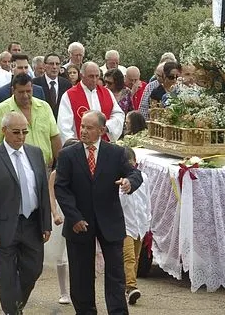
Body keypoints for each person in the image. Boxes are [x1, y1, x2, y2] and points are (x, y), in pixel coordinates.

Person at [54, 110, 143, 315]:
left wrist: (129, 182)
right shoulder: (68, 155)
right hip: (79, 222)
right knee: (81, 274)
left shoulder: (116, 153)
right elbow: (61, 188)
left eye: (89, 127)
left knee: (115, 273)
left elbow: (134, 173)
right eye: (82, 126)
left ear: (102, 130)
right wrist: (74, 217)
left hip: (109, 221)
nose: (83, 131)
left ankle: (118, 311)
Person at [0, 111, 52, 315]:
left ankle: (15, 305)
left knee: (33, 269)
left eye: (24, 132)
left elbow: (42, 190)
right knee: (7, 275)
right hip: (4, 225)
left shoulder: (36, 154)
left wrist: (46, 223)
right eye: (16, 132)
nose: (21, 136)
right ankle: (12, 311)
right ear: (4, 131)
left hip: (32, 223)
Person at [58, 62, 125, 143]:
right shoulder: (69, 95)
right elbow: (64, 126)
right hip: (79, 146)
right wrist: (73, 145)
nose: (94, 80)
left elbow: (118, 114)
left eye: (97, 76)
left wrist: (107, 127)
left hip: (103, 144)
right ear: (82, 76)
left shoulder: (107, 93)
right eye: (91, 76)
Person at [119, 146, 151, 306]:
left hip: (140, 224)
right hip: (125, 225)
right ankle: (132, 286)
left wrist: (147, 221)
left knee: (136, 257)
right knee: (129, 257)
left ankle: (128, 286)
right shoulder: (119, 181)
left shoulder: (143, 177)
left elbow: (147, 201)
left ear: (135, 162)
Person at [49, 138, 79, 305]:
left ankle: (77, 290)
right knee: (61, 255)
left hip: (77, 213)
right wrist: (54, 214)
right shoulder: (56, 174)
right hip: (61, 213)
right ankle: (63, 291)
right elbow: (51, 195)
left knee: (77, 255)